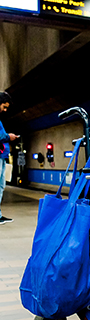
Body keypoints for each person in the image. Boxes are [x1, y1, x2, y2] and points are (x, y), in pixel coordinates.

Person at [0, 91, 19, 225]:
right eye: (4, 106)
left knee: (1, 186)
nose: (5, 110)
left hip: (1, 156)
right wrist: (8, 137)